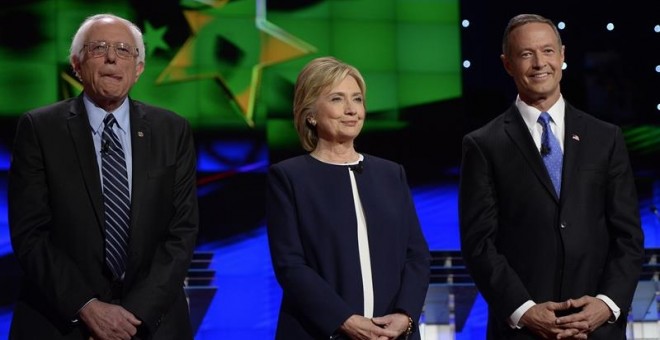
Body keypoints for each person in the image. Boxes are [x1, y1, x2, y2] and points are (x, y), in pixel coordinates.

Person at [8, 13, 199, 340]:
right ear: (76, 64)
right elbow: (30, 233)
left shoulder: (172, 129)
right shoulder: (40, 129)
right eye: (99, 48)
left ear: (138, 69)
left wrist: (134, 316)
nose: (112, 57)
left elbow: (181, 232)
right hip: (61, 321)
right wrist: (87, 306)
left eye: (124, 50)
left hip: (151, 324)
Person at [459, 13, 644, 339]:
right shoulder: (483, 144)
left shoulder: (605, 137)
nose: (539, 63)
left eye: (547, 51)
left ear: (562, 56)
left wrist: (607, 303)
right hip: (523, 331)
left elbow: (628, 236)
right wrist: (524, 310)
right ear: (507, 64)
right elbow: (479, 245)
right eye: (526, 54)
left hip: (598, 329)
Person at [266, 56, 431, 339]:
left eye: (357, 99)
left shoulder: (392, 174)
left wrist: (405, 316)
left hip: (393, 335)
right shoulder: (289, 177)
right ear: (311, 114)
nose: (351, 110)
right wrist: (344, 320)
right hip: (319, 332)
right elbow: (290, 266)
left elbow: (416, 256)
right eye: (337, 99)